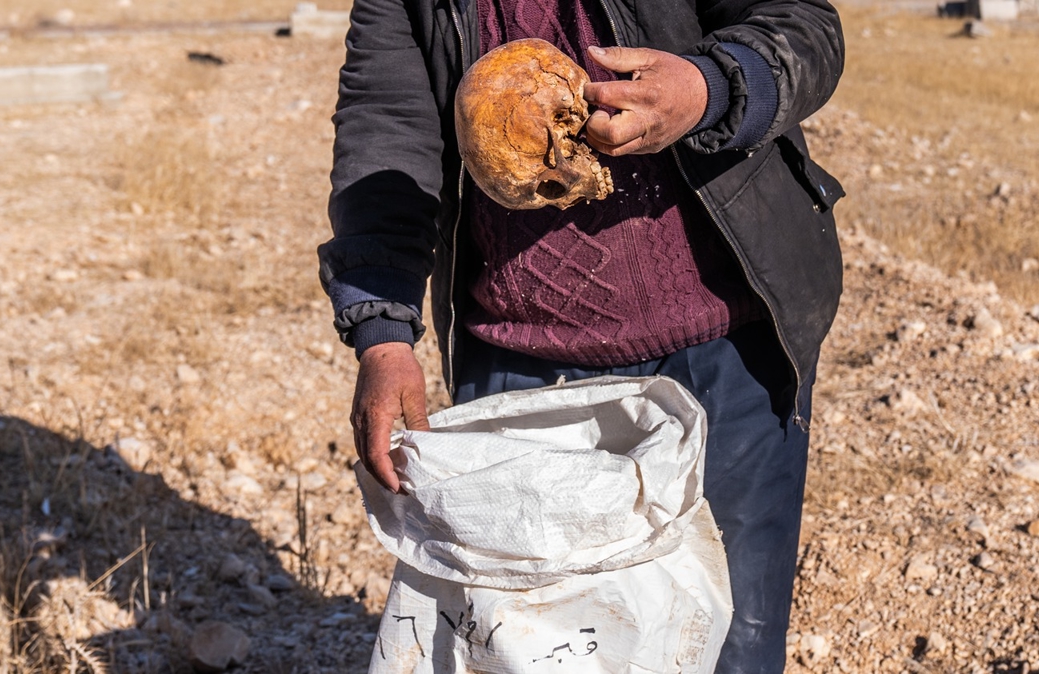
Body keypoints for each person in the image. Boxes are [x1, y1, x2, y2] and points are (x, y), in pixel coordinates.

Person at [319, 0, 845, 671]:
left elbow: (803, 28)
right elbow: (386, 129)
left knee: (723, 642)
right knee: (534, 647)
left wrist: (706, 87)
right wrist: (382, 332)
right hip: (520, 371)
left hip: (724, 353)